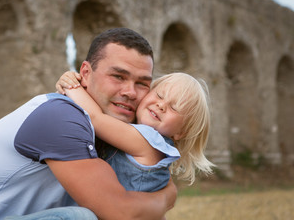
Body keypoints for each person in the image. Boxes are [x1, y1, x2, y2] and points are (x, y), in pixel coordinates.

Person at [0, 28, 176, 220]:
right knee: (80, 218)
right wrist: (166, 198)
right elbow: (120, 212)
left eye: (143, 83)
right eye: (118, 76)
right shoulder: (60, 117)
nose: (130, 92)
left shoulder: (110, 125)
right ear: (85, 72)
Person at [57, 71, 215, 192]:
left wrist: (72, 85)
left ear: (181, 133)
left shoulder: (149, 142)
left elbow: (95, 117)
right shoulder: (133, 132)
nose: (161, 105)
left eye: (174, 108)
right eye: (159, 95)